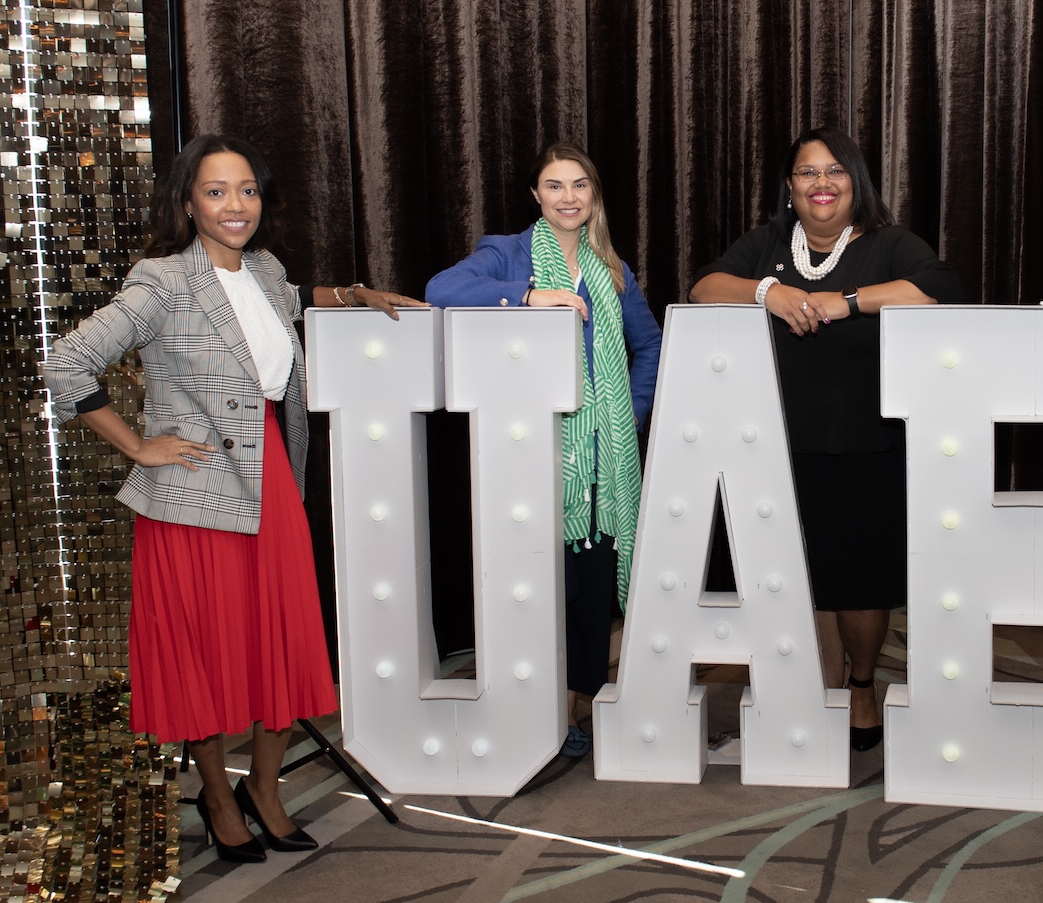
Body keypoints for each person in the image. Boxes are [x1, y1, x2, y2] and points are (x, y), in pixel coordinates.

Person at [44, 134, 425, 863]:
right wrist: (136, 445)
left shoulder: (265, 268)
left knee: (279, 644)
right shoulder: (161, 281)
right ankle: (220, 798)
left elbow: (289, 299)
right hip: (193, 498)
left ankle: (266, 792)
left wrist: (352, 295)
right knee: (206, 658)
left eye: (247, 190)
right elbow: (67, 363)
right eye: (216, 191)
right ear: (188, 202)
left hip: (271, 483)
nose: (235, 205)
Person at [689, 127, 964, 752]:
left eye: (835, 171)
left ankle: (862, 686)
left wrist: (847, 301)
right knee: (804, 574)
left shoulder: (888, 244)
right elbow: (704, 287)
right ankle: (824, 686)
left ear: (855, 182)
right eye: (807, 172)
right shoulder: (767, 245)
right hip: (781, 441)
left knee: (861, 581)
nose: (821, 183)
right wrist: (770, 291)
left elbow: (938, 289)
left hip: (868, 441)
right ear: (790, 187)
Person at [425, 141, 662, 758]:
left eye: (579, 184)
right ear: (536, 194)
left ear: (594, 193)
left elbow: (649, 346)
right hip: (529, 456)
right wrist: (529, 297)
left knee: (591, 590)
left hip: (603, 463)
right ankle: (533, 712)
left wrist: (627, 415)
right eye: (555, 185)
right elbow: (440, 289)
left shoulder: (612, 267)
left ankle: (575, 708)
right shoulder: (509, 253)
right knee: (542, 588)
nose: (568, 197)